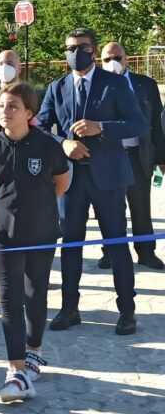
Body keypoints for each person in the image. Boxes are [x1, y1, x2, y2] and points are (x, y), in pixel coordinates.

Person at [37, 28, 146, 336]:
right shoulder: (57, 88)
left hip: (108, 177)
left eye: (81, 47)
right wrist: (62, 144)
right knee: (70, 244)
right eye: (70, 48)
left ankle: (127, 310)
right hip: (70, 178)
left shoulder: (114, 84)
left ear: (93, 51)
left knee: (116, 243)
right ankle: (69, 308)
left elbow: (138, 124)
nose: (75, 53)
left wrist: (102, 127)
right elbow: (41, 127)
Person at [0, 83, 70, 402]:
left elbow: (62, 181)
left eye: (13, 106)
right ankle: (15, 369)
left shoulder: (47, 145)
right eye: (2, 105)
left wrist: (39, 208)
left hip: (42, 234)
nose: (5, 111)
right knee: (9, 301)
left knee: (35, 294)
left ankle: (33, 352)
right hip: (3, 236)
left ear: (29, 113)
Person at [99, 42, 164, 270]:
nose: (113, 62)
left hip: (138, 154)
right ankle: (110, 252)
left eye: (117, 57)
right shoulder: (97, 85)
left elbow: (157, 122)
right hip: (109, 156)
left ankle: (146, 252)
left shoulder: (145, 85)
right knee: (111, 209)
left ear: (126, 58)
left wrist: (161, 158)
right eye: (107, 59)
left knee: (141, 208)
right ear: (100, 61)